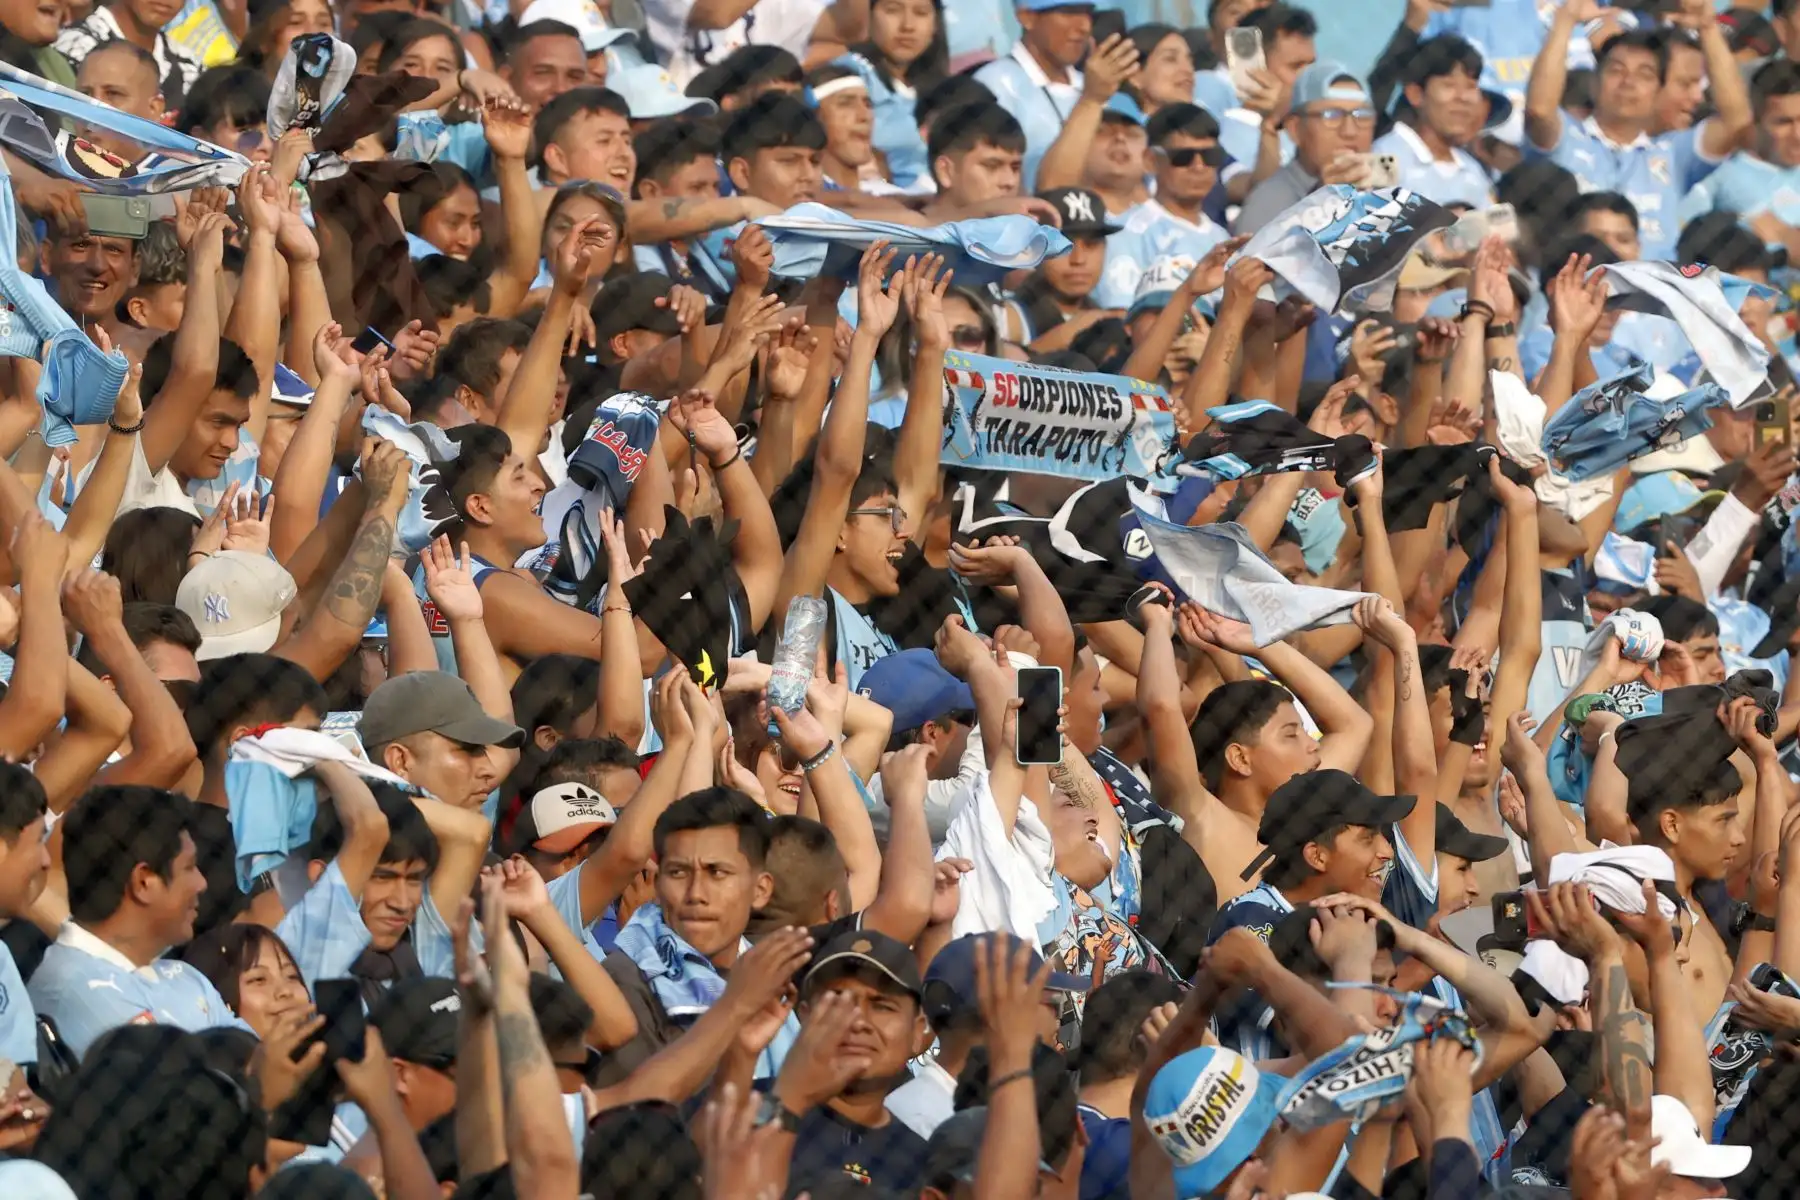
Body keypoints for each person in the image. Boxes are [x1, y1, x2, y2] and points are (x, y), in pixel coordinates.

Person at [29, 785, 248, 1056]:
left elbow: (255, 1059)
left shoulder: (187, 977)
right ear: (144, 881)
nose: (202, 883)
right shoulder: (78, 992)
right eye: (190, 867)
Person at [1523, 0, 1751, 260]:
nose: (1628, 82)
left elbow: (1737, 121)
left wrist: (1709, 29)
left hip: (1651, 296)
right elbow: (1539, 111)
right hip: (1572, 288)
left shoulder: (1674, 154)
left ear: (1658, 92)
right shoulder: (1564, 138)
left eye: (1645, 75)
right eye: (1616, 70)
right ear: (1594, 84)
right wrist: (1564, 22)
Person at [1235, 59, 1377, 234]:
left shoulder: (1382, 195)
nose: (1349, 131)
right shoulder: (1269, 204)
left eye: (1362, 115)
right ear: (1295, 129)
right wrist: (1320, 202)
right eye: (1331, 115)